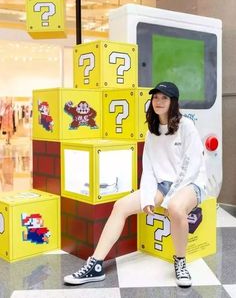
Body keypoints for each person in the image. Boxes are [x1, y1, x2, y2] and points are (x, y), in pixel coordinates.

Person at [64, 81, 208, 288]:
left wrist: (168, 199)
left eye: (164, 98)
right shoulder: (152, 131)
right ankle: (95, 264)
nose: (158, 101)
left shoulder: (186, 126)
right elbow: (148, 168)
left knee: (176, 208)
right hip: (162, 184)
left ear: (173, 102)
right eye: (155, 97)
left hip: (190, 184)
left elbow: (191, 166)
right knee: (120, 206)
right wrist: (149, 197)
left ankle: (180, 262)